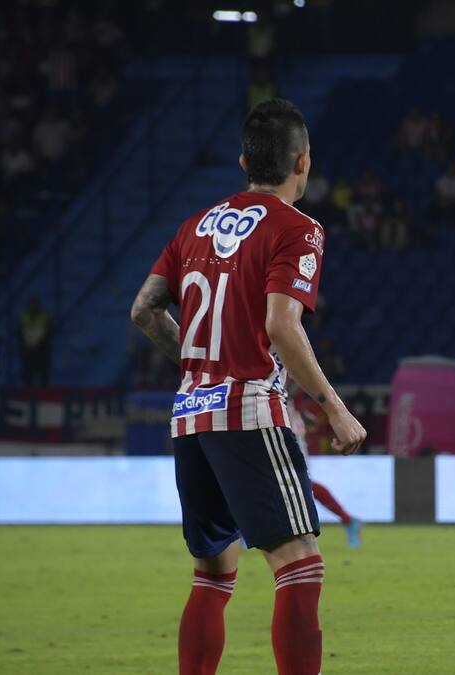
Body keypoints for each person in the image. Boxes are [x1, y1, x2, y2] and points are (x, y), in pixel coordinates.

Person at [129, 98, 366, 675]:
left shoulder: (193, 227)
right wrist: (335, 408)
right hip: (248, 410)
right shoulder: (298, 229)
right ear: (302, 162)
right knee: (301, 563)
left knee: (213, 572)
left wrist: (199, 363)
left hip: (191, 413)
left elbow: (144, 310)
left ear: (243, 162)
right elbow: (282, 326)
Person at [288, 382, 363, 549]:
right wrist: (302, 411)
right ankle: (246, 530)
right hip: (273, 425)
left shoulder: (284, 366)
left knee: (301, 483)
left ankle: (348, 520)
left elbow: (288, 386)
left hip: (287, 429)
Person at [19, 296, 52, 386]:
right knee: (28, 378)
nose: (33, 306)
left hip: (42, 352)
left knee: (43, 378)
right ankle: (27, 393)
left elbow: (49, 333)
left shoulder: (44, 317)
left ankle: (44, 393)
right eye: (32, 305)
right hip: (28, 351)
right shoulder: (24, 317)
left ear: (38, 305)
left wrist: (41, 345)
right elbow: (20, 334)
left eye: (35, 304)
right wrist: (24, 347)